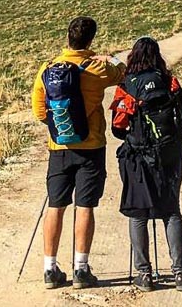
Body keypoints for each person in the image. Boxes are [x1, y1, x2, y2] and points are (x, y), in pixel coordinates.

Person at [31, 16, 125, 290]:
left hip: (59, 147)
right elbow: (124, 72)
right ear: (90, 40)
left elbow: (39, 112)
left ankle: (50, 269)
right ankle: (81, 270)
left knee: (55, 206)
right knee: (85, 206)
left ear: (67, 37)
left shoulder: (46, 69)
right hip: (91, 147)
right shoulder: (97, 69)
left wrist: (59, 126)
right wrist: (111, 58)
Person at [110, 37, 182, 293]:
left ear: (133, 56)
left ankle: (144, 274)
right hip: (169, 154)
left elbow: (117, 128)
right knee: (171, 211)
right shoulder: (169, 81)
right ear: (157, 56)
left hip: (139, 157)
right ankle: (180, 274)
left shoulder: (127, 85)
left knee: (138, 214)